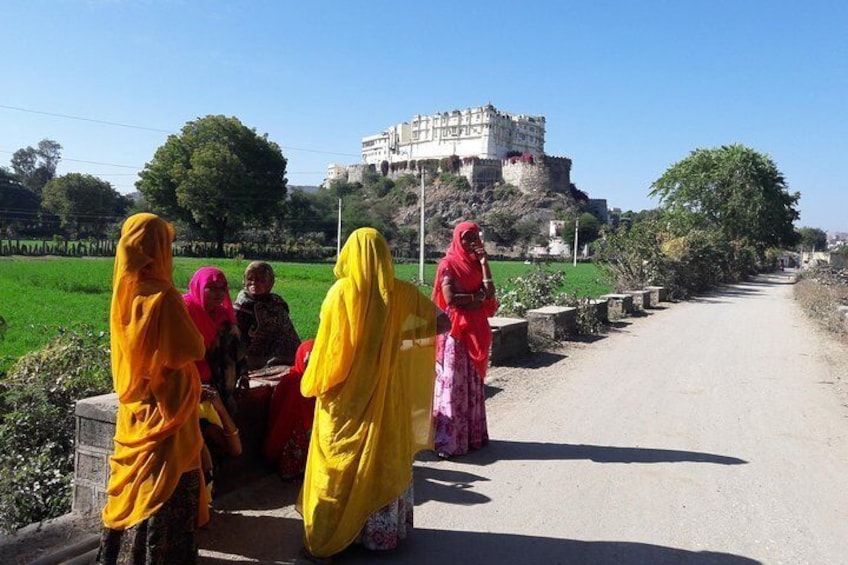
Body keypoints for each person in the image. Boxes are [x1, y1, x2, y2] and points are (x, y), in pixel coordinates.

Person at [297, 227, 450, 561]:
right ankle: (379, 535)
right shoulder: (402, 293)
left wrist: (314, 376)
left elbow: (330, 349)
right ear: (385, 255)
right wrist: (401, 336)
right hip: (386, 394)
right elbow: (443, 323)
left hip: (344, 397)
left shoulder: (341, 293)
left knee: (339, 462)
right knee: (381, 456)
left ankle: (332, 532)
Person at [98, 213, 206, 564]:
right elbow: (192, 349)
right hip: (168, 410)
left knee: (135, 486)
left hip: (137, 410)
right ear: (158, 250)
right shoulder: (163, 298)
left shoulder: (125, 297)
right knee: (166, 488)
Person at [431, 221, 497, 458]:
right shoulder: (449, 264)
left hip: (476, 330)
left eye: (475, 237)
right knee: (454, 384)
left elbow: (489, 294)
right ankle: (450, 440)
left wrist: (484, 262)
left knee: (472, 384)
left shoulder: (476, 265)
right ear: (457, 238)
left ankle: (472, 437)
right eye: (467, 237)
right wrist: (473, 297)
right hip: (456, 332)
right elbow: (450, 299)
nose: (471, 242)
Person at [183, 267, 244, 492]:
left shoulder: (223, 315)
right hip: (188, 384)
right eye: (212, 288)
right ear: (199, 287)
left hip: (216, 384)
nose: (219, 294)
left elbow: (234, 353)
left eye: (223, 288)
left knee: (220, 438)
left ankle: (208, 489)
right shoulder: (185, 308)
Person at [263, 339, 316, 479]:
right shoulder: (292, 384)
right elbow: (283, 421)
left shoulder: (320, 384)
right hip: (288, 441)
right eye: (308, 362)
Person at [234, 261, 301, 371]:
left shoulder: (277, 304)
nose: (254, 283)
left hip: (281, 358)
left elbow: (288, 335)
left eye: (260, 280)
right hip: (249, 361)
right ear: (243, 281)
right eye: (250, 279)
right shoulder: (241, 308)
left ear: (271, 283)